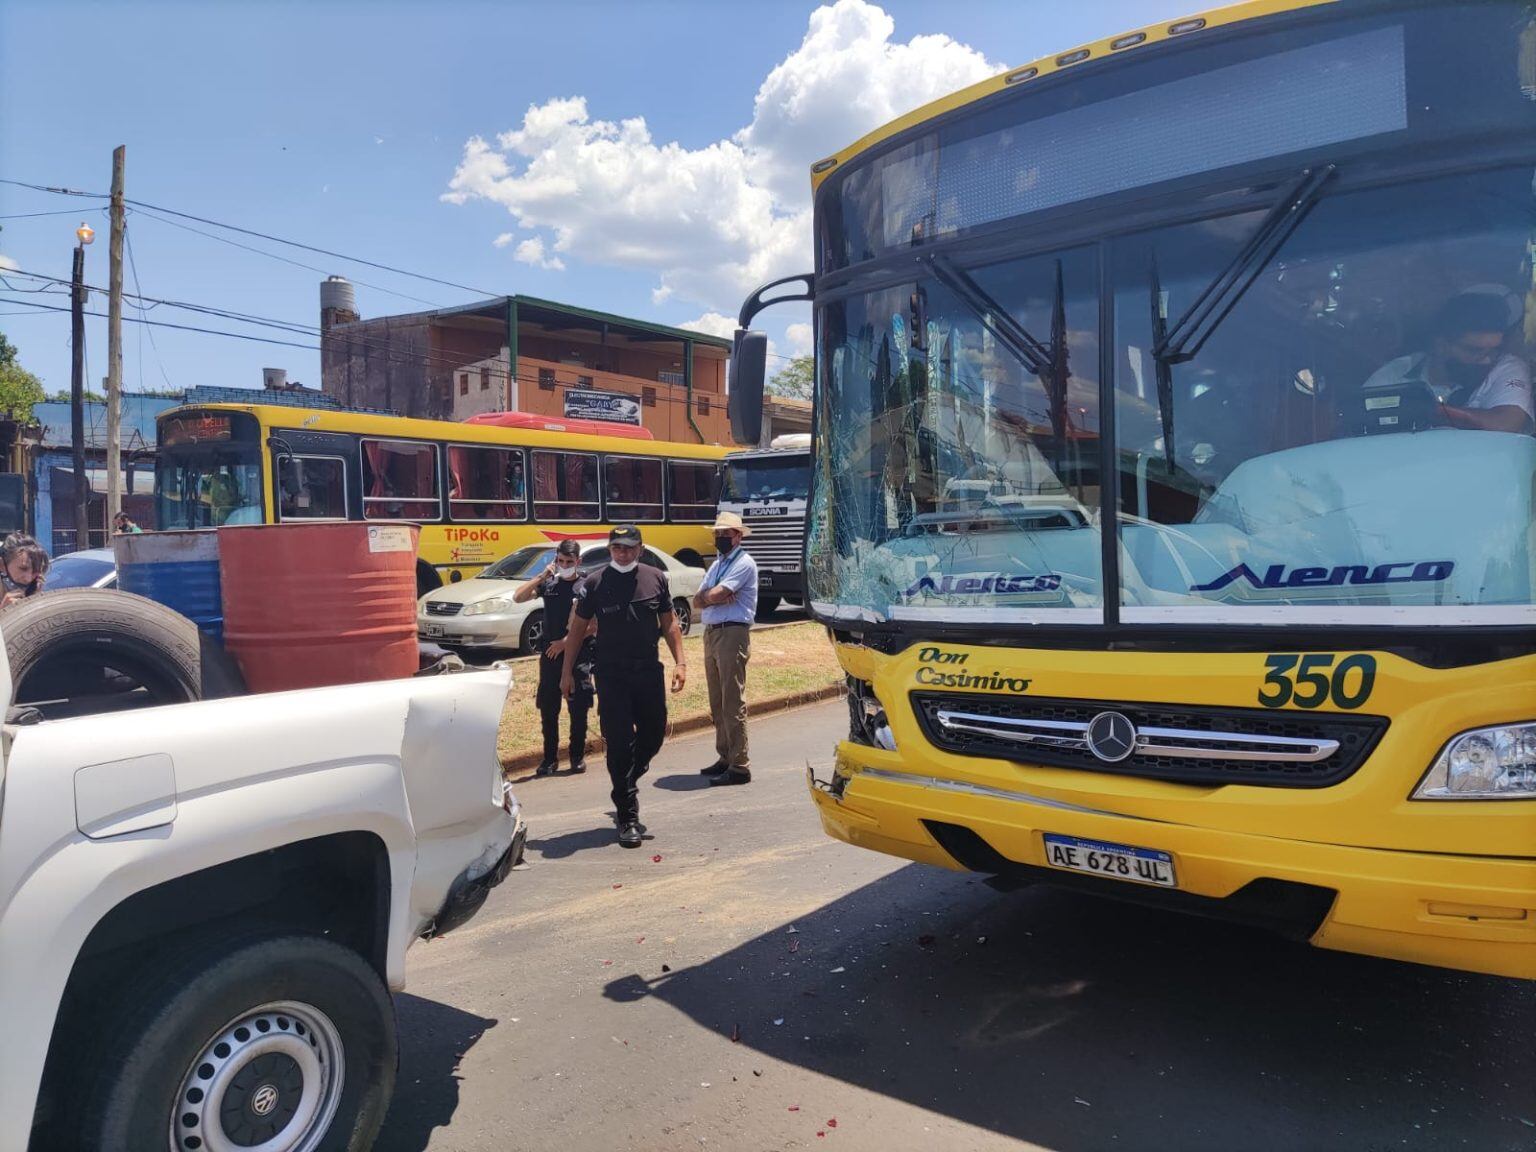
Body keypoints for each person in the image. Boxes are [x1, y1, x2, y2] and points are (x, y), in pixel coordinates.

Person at [561, 525, 686, 848]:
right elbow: (576, 632)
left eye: (629, 548)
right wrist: (567, 673)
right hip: (611, 675)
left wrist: (680, 662)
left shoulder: (655, 578)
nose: (623, 553)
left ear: (640, 549)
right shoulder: (595, 583)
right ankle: (628, 816)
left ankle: (624, 781)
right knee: (618, 742)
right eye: (617, 548)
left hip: (647, 671)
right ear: (610, 549)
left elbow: (669, 622)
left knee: (654, 733)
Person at [1364, 291, 1532, 433]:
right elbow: (1359, 414)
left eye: (1494, 350)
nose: (1487, 359)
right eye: (1474, 350)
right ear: (1441, 345)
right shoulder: (1398, 371)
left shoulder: (1507, 367)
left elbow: (1506, 423)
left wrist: (1430, 411)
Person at [513, 539, 593, 777]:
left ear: (578, 561)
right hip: (550, 655)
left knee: (578, 707)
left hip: (577, 651)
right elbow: (518, 597)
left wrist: (566, 642)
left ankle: (577, 756)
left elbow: (595, 625)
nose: (564, 565)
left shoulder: (587, 585)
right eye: (560, 561)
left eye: (569, 562)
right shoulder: (550, 585)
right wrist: (542, 576)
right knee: (548, 708)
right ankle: (549, 759)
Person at [694, 512, 758, 786]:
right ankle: (726, 756)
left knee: (732, 700)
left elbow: (715, 595)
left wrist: (712, 597)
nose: (720, 538)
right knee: (717, 700)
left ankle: (740, 764)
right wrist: (712, 598)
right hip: (713, 633)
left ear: (738, 536)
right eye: (717, 534)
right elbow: (698, 600)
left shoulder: (744, 563)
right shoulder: (719, 564)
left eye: (725, 534)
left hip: (732, 632)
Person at [1, 533, 49, 608]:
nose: (28, 578)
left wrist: (36, 600)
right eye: (23, 569)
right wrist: (3, 612)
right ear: (2, 565)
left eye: (35, 571)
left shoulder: (39, 589)